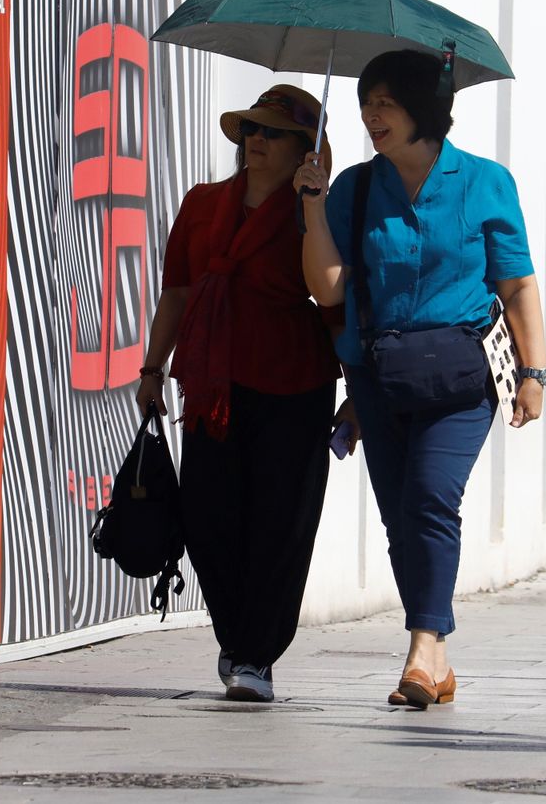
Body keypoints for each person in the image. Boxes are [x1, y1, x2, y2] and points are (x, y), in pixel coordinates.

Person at [294, 49, 546, 709]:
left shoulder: (486, 182)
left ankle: (422, 648)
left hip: (462, 374)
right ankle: (435, 659)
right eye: (365, 103)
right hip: (378, 376)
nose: (370, 115)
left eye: (385, 102)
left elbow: (517, 284)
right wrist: (315, 207)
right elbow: (327, 288)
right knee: (401, 518)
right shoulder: (351, 187)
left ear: (423, 110)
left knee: (432, 498)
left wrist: (535, 372)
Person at [136, 83, 349, 703]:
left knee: (281, 525)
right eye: (252, 130)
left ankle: (256, 654)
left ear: (307, 149)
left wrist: (357, 391)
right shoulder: (203, 203)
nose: (256, 140)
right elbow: (177, 289)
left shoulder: (318, 210)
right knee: (207, 519)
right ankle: (237, 638)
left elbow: (336, 305)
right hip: (212, 383)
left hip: (295, 383)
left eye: (273, 133)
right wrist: (153, 369)